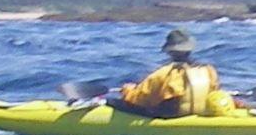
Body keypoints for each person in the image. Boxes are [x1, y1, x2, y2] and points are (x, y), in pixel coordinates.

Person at [100, 27, 239, 117]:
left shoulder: (164, 73)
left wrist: (127, 91)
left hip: (167, 116)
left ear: (170, 51)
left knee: (113, 102)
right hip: (197, 113)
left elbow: (139, 99)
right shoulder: (208, 70)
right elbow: (214, 92)